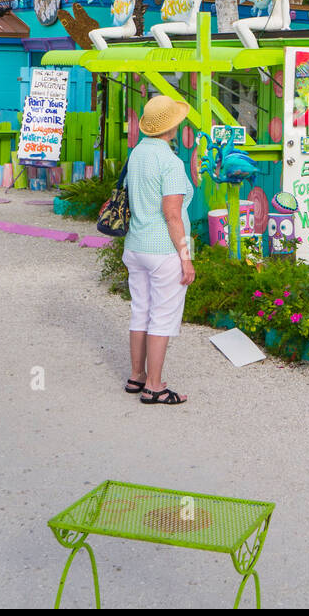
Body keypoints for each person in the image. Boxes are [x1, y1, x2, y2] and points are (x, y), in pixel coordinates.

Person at [123, 95, 197, 405]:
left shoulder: (136, 153)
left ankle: (137, 376)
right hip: (163, 250)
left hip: (135, 246)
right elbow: (173, 215)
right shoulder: (171, 162)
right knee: (163, 317)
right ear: (173, 127)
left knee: (140, 311)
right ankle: (155, 386)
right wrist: (186, 257)